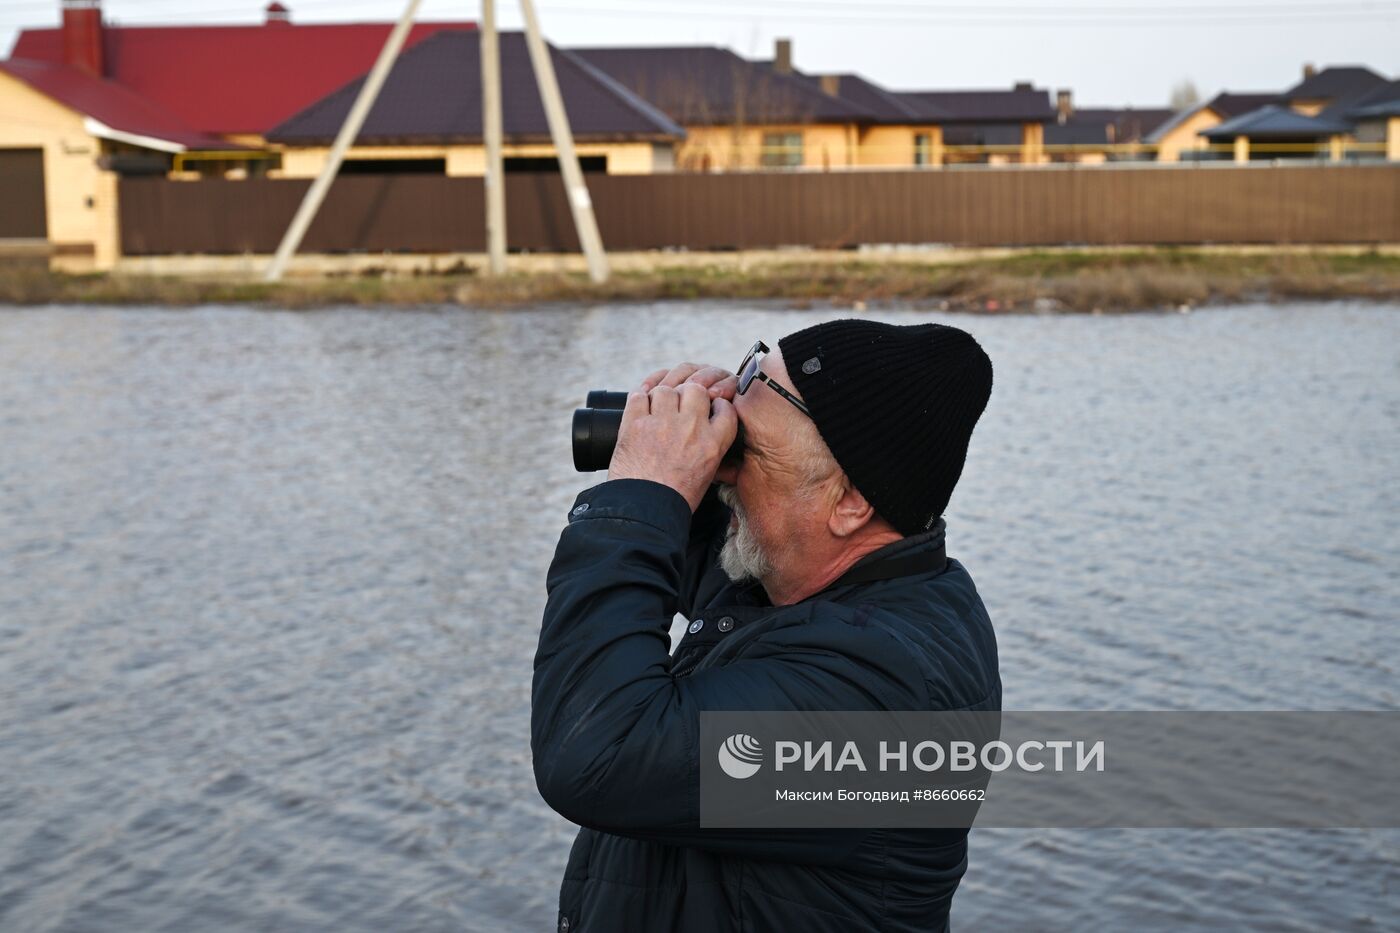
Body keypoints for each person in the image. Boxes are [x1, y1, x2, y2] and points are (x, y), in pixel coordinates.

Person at [532, 319, 999, 932]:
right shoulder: (813, 581)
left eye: (747, 452)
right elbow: (710, 561)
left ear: (849, 501)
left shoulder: (880, 693)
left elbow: (595, 753)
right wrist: (680, 447)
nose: (727, 472)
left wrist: (641, 496)